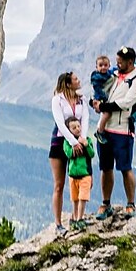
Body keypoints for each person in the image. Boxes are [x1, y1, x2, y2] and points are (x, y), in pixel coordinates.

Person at [96, 46, 136, 217]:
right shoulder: (115, 74)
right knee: (106, 167)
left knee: (125, 168)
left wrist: (103, 107)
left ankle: (131, 204)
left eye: (120, 62)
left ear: (130, 62)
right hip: (105, 129)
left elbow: (126, 103)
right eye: (116, 61)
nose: (117, 64)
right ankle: (106, 204)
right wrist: (95, 102)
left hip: (122, 130)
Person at [47, 71, 86, 233]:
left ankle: (76, 217)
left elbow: (85, 120)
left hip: (77, 144)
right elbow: (60, 123)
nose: (79, 80)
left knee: (79, 179)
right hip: (60, 142)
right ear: (69, 84)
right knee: (59, 184)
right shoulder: (57, 100)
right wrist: (73, 141)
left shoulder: (81, 100)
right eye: (76, 79)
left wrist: (82, 139)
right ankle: (58, 223)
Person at [63, 122, 96, 226]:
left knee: (83, 197)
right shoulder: (67, 142)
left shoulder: (87, 140)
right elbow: (68, 153)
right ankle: (75, 217)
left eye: (78, 126)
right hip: (72, 176)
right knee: (75, 198)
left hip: (85, 174)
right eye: (74, 128)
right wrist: (74, 145)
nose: (77, 129)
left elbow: (91, 154)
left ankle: (80, 218)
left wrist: (86, 145)